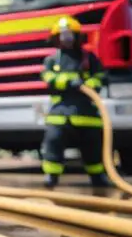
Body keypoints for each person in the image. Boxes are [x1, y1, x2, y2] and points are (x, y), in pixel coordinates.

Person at [41, 16, 108, 187]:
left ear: (77, 36)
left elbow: (101, 78)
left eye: (69, 34)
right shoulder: (52, 60)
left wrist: (88, 85)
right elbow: (48, 78)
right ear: (56, 38)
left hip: (87, 115)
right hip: (59, 115)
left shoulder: (89, 58)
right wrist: (68, 82)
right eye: (62, 35)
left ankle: (98, 178)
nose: (66, 38)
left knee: (93, 148)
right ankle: (51, 177)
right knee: (53, 143)